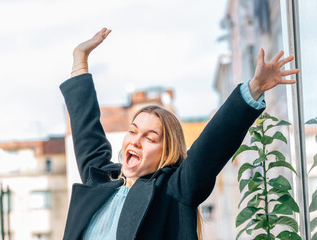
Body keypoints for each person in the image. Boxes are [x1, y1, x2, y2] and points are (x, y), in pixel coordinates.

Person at [60, 28, 299, 240]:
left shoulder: (173, 190)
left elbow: (211, 146)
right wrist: (79, 61)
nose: (136, 140)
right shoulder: (101, 179)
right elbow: (86, 131)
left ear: (166, 153)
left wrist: (253, 89)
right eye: (133, 131)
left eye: (149, 138)